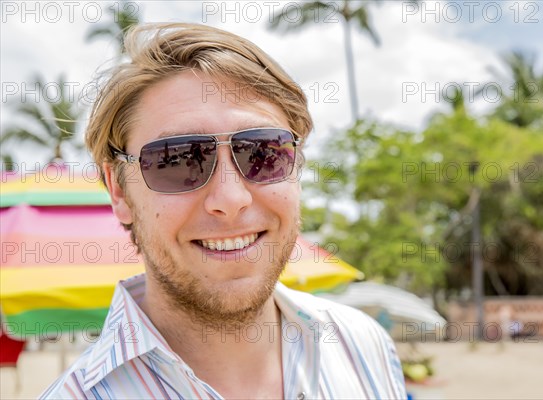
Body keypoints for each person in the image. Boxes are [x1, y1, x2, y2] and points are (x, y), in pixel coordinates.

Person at [40, 23, 406, 399]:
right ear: (118, 190)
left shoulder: (364, 347)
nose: (231, 198)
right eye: (176, 160)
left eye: (263, 152)